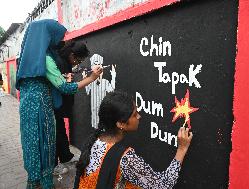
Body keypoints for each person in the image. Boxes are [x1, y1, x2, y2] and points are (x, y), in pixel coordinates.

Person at [16, 19, 103, 189]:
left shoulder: (27, 56)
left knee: (32, 144)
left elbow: (39, 79)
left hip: (27, 106)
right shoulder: (46, 57)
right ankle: (45, 184)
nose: (60, 41)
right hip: (41, 108)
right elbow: (65, 88)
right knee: (45, 144)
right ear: (47, 36)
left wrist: (56, 79)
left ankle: (33, 182)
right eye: (57, 36)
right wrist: (91, 78)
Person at [74, 91, 193, 189]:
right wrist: (182, 149)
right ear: (121, 123)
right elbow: (163, 185)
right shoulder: (125, 158)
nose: (139, 116)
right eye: (134, 114)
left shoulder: (94, 140)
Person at [52, 41, 90, 175]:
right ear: (72, 55)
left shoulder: (63, 60)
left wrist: (70, 75)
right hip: (54, 105)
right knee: (56, 134)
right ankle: (53, 166)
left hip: (58, 105)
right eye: (78, 60)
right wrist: (91, 78)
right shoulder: (60, 62)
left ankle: (66, 157)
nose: (78, 63)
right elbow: (64, 88)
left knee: (61, 131)